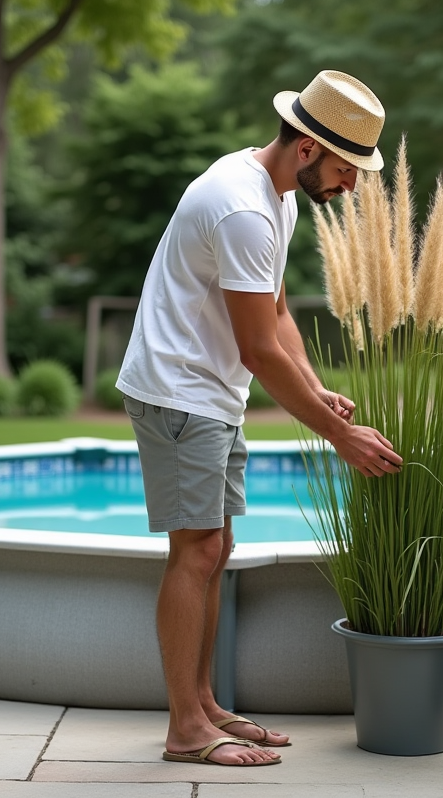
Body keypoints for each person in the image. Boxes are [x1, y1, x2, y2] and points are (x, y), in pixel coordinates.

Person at [116, 70, 403, 768]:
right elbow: (255, 348)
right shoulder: (241, 207)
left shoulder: (276, 197)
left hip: (212, 393)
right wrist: (340, 436)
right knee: (198, 553)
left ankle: (205, 704)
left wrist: (318, 388)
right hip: (179, 389)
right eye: (345, 169)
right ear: (307, 148)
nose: (351, 187)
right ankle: (186, 728)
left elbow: (275, 314)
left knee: (217, 551)